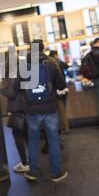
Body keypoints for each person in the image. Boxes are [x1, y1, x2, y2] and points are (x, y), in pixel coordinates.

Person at [18, 40, 68, 183]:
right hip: (50, 108)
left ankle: (33, 171)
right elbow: (61, 84)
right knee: (53, 140)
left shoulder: (24, 66)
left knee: (33, 141)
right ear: (43, 49)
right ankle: (56, 173)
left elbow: (17, 87)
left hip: (32, 110)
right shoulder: (51, 63)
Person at [0, 50, 29, 173]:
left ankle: (25, 163)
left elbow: (11, 93)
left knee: (18, 137)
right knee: (27, 136)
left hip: (17, 108)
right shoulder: (23, 69)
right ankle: (32, 162)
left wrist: (2, 89)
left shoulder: (12, 73)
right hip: (26, 106)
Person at [48, 50, 70, 134]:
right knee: (61, 109)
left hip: (54, 90)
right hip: (60, 89)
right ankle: (64, 127)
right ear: (55, 55)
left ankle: (62, 127)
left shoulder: (49, 62)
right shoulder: (56, 62)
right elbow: (66, 66)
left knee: (58, 110)